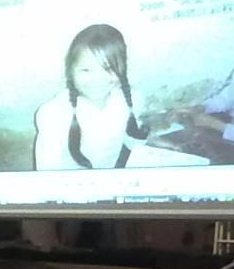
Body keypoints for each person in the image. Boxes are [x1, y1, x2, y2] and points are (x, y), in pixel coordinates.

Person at [34, 24, 148, 171]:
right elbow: (46, 173)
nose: (98, 80)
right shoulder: (53, 113)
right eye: (86, 70)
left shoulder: (133, 100)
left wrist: (154, 144)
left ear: (122, 67)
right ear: (71, 70)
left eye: (108, 68)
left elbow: (131, 140)